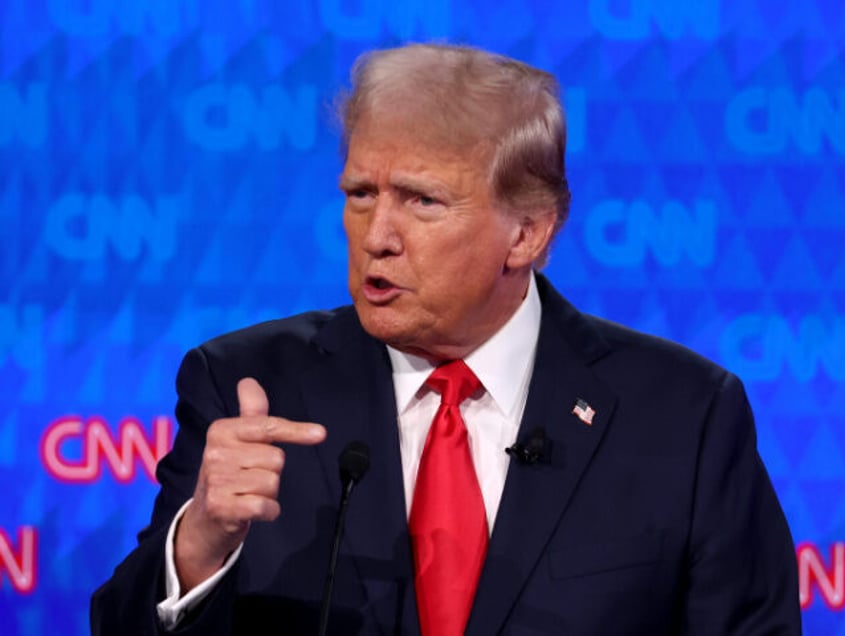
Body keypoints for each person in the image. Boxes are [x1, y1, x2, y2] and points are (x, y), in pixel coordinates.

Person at [90, 43, 800, 635]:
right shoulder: (248, 389)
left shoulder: (684, 416)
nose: (379, 237)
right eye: (361, 194)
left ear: (527, 231)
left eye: (422, 200)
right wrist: (201, 541)